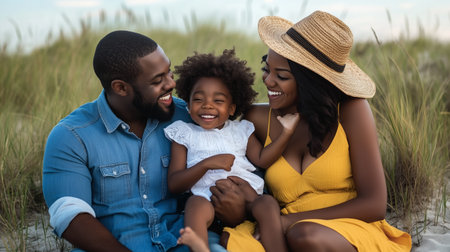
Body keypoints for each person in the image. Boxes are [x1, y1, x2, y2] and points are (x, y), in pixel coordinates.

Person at [218, 11, 412, 251]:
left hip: (347, 227)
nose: (268, 81)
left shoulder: (352, 111)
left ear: (311, 82)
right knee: (233, 242)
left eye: (282, 76)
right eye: (267, 69)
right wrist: (247, 202)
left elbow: (374, 204)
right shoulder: (257, 118)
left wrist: (288, 221)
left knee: (306, 236)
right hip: (283, 230)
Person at [42, 30, 227, 252]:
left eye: (168, 72)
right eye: (158, 80)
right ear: (120, 88)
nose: (171, 84)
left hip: (184, 241)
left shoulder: (188, 116)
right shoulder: (71, 136)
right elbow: (70, 215)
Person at [164, 49, 299, 252]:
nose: (207, 106)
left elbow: (262, 159)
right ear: (189, 105)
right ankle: (199, 247)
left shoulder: (241, 130)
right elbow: (174, 184)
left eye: (218, 101)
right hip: (205, 199)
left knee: (268, 203)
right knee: (194, 206)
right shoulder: (183, 133)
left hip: (246, 198)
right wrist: (207, 164)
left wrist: (286, 134)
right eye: (198, 100)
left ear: (232, 108)